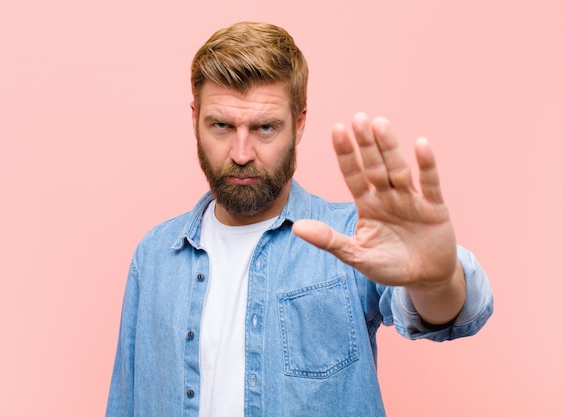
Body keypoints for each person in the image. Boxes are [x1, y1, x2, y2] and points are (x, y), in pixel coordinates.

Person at [105, 22, 493, 417]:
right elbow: (124, 403)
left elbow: (447, 313)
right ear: (195, 119)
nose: (241, 153)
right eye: (221, 126)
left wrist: (437, 281)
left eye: (265, 128)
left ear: (299, 123)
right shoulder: (153, 256)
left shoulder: (353, 240)